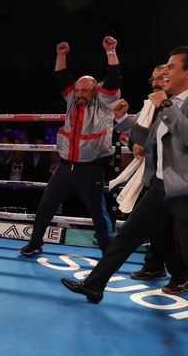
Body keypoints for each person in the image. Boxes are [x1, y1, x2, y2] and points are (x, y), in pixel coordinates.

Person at [61, 46, 188, 342]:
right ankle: (94, 285)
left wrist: (166, 106)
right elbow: (147, 141)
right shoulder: (167, 102)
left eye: (171, 66)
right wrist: (123, 119)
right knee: (127, 237)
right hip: (161, 186)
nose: (164, 72)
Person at [19, 37, 121, 256]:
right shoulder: (72, 100)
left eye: (84, 91)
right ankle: (35, 243)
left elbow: (112, 79)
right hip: (65, 168)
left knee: (98, 213)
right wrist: (61, 55)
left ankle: (109, 253)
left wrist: (111, 52)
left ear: (95, 90)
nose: (80, 94)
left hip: (90, 168)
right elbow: (60, 77)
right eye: (77, 90)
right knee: (46, 205)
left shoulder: (104, 103)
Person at [122, 65, 188, 295]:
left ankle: (181, 276)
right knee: (155, 229)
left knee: (172, 233)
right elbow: (136, 136)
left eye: (162, 77)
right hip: (153, 174)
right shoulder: (148, 106)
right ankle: (154, 267)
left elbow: (186, 136)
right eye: (153, 78)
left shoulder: (180, 104)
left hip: (175, 178)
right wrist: (135, 145)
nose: (156, 82)